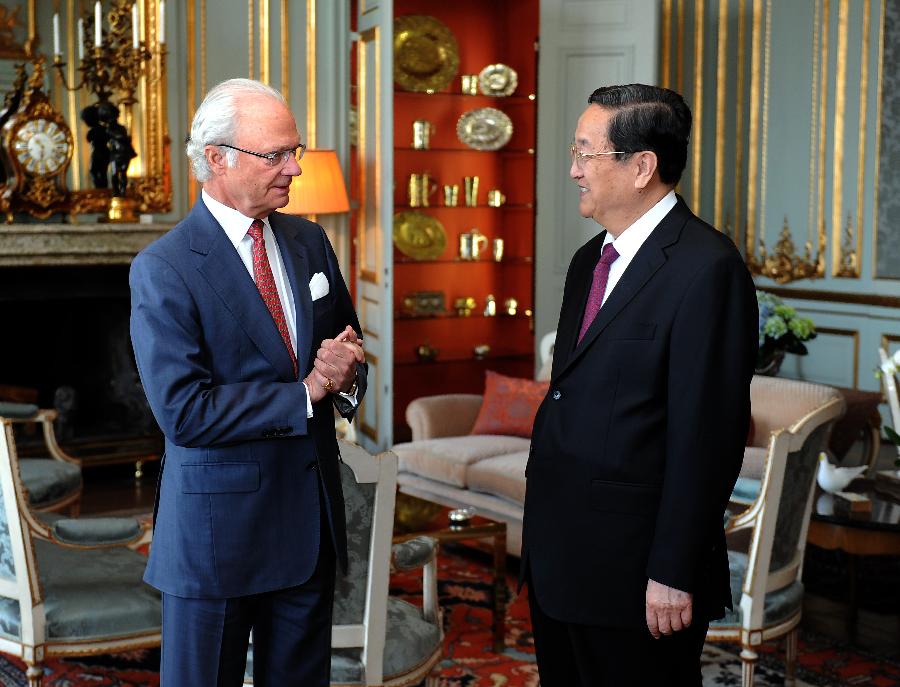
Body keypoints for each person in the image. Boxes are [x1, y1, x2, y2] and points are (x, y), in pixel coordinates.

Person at [130, 78, 366, 686]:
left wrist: (341, 379)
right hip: (216, 542)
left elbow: (344, 352)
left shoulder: (310, 240)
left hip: (308, 531)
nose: (294, 169)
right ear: (217, 159)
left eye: (297, 152)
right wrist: (305, 393)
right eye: (276, 155)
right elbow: (184, 414)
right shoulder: (165, 268)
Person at [521, 84, 757, 686]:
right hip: (561, 558)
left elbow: (707, 436)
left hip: (638, 573)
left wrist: (673, 569)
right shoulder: (587, 262)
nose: (572, 170)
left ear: (641, 166)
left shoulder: (708, 268)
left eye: (585, 153)